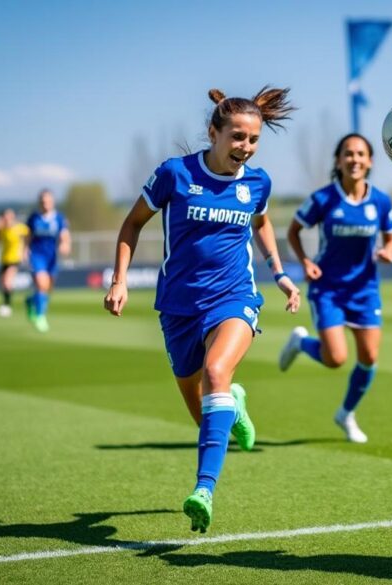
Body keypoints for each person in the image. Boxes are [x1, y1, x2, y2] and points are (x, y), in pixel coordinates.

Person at [103, 86, 301, 534]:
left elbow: (262, 221)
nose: (245, 148)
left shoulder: (257, 182)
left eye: (252, 140)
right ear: (213, 132)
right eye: (236, 137)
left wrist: (280, 273)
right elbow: (132, 223)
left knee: (216, 373)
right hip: (177, 307)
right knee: (203, 411)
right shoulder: (175, 174)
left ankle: (203, 490)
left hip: (234, 298)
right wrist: (119, 281)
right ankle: (237, 403)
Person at [278, 133, 392, 443]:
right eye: (348, 153)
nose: (354, 159)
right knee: (335, 359)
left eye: (360, 154)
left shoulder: (381, 201)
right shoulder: (322, 199)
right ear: (338, 160)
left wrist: (389, 251)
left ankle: (346, 414)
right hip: (328, 287)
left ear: (370, 161)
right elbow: (293, 230)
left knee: (369, 356)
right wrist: (304, 261)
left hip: (365, 289)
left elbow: (391, 236)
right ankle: (301, 343)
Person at [25, 189, 71, 332]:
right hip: (37, 256)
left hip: (51, 257)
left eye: (48, 201)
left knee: (47, 288)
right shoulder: (34, 218)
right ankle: (40, 317)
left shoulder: (58, 218)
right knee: (41, 283)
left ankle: (31, 301)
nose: (46, 204)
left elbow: (64, 235)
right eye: (43, 201)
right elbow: (28, 236)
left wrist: (65, 244)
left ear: (52, 202)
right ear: (40, 202)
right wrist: (24, 250)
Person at [0, 208, 29, 317]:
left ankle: (7, 306)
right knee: (3, 283)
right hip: (4, 259)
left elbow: (29, 237)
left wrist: (25, 251)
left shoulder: (20, 228)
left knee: (7, 281)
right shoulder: (2, 230)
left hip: (15, 259)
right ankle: (6, 303)